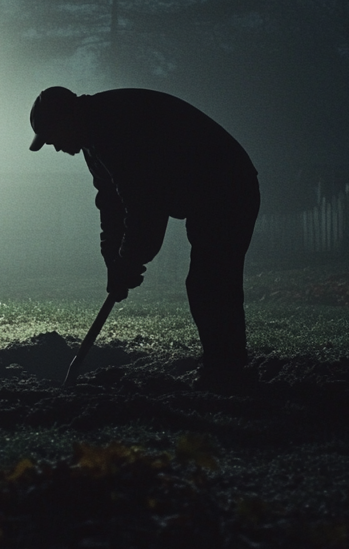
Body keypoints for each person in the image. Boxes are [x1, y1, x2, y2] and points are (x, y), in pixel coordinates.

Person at [28, 86, 260, 383]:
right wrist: (113, 258)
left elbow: (146, 208)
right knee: (206, 281)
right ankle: (224, 366)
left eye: (53, 139)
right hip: (203, 194)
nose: (56, 148)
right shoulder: (93, 140)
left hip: (227, 185)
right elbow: (111, 202)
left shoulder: (115, 127)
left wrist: (129, 261)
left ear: (67, 120)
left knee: (211, 281)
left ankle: (227, 371)